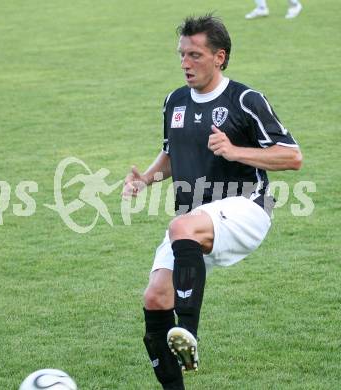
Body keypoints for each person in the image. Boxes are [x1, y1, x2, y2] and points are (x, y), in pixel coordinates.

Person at [122, 15, 302, 390]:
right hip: (196, 220)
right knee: (155, 298)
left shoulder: (245, 99)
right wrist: (144, 180)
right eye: (181, 55)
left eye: (195, 55)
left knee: (180, 228)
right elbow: (171, 154)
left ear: (219, 57)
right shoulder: (174, 100)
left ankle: (187, 333)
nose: (185, 63)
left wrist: (235, 151)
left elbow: (291, 156)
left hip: (247, 206)